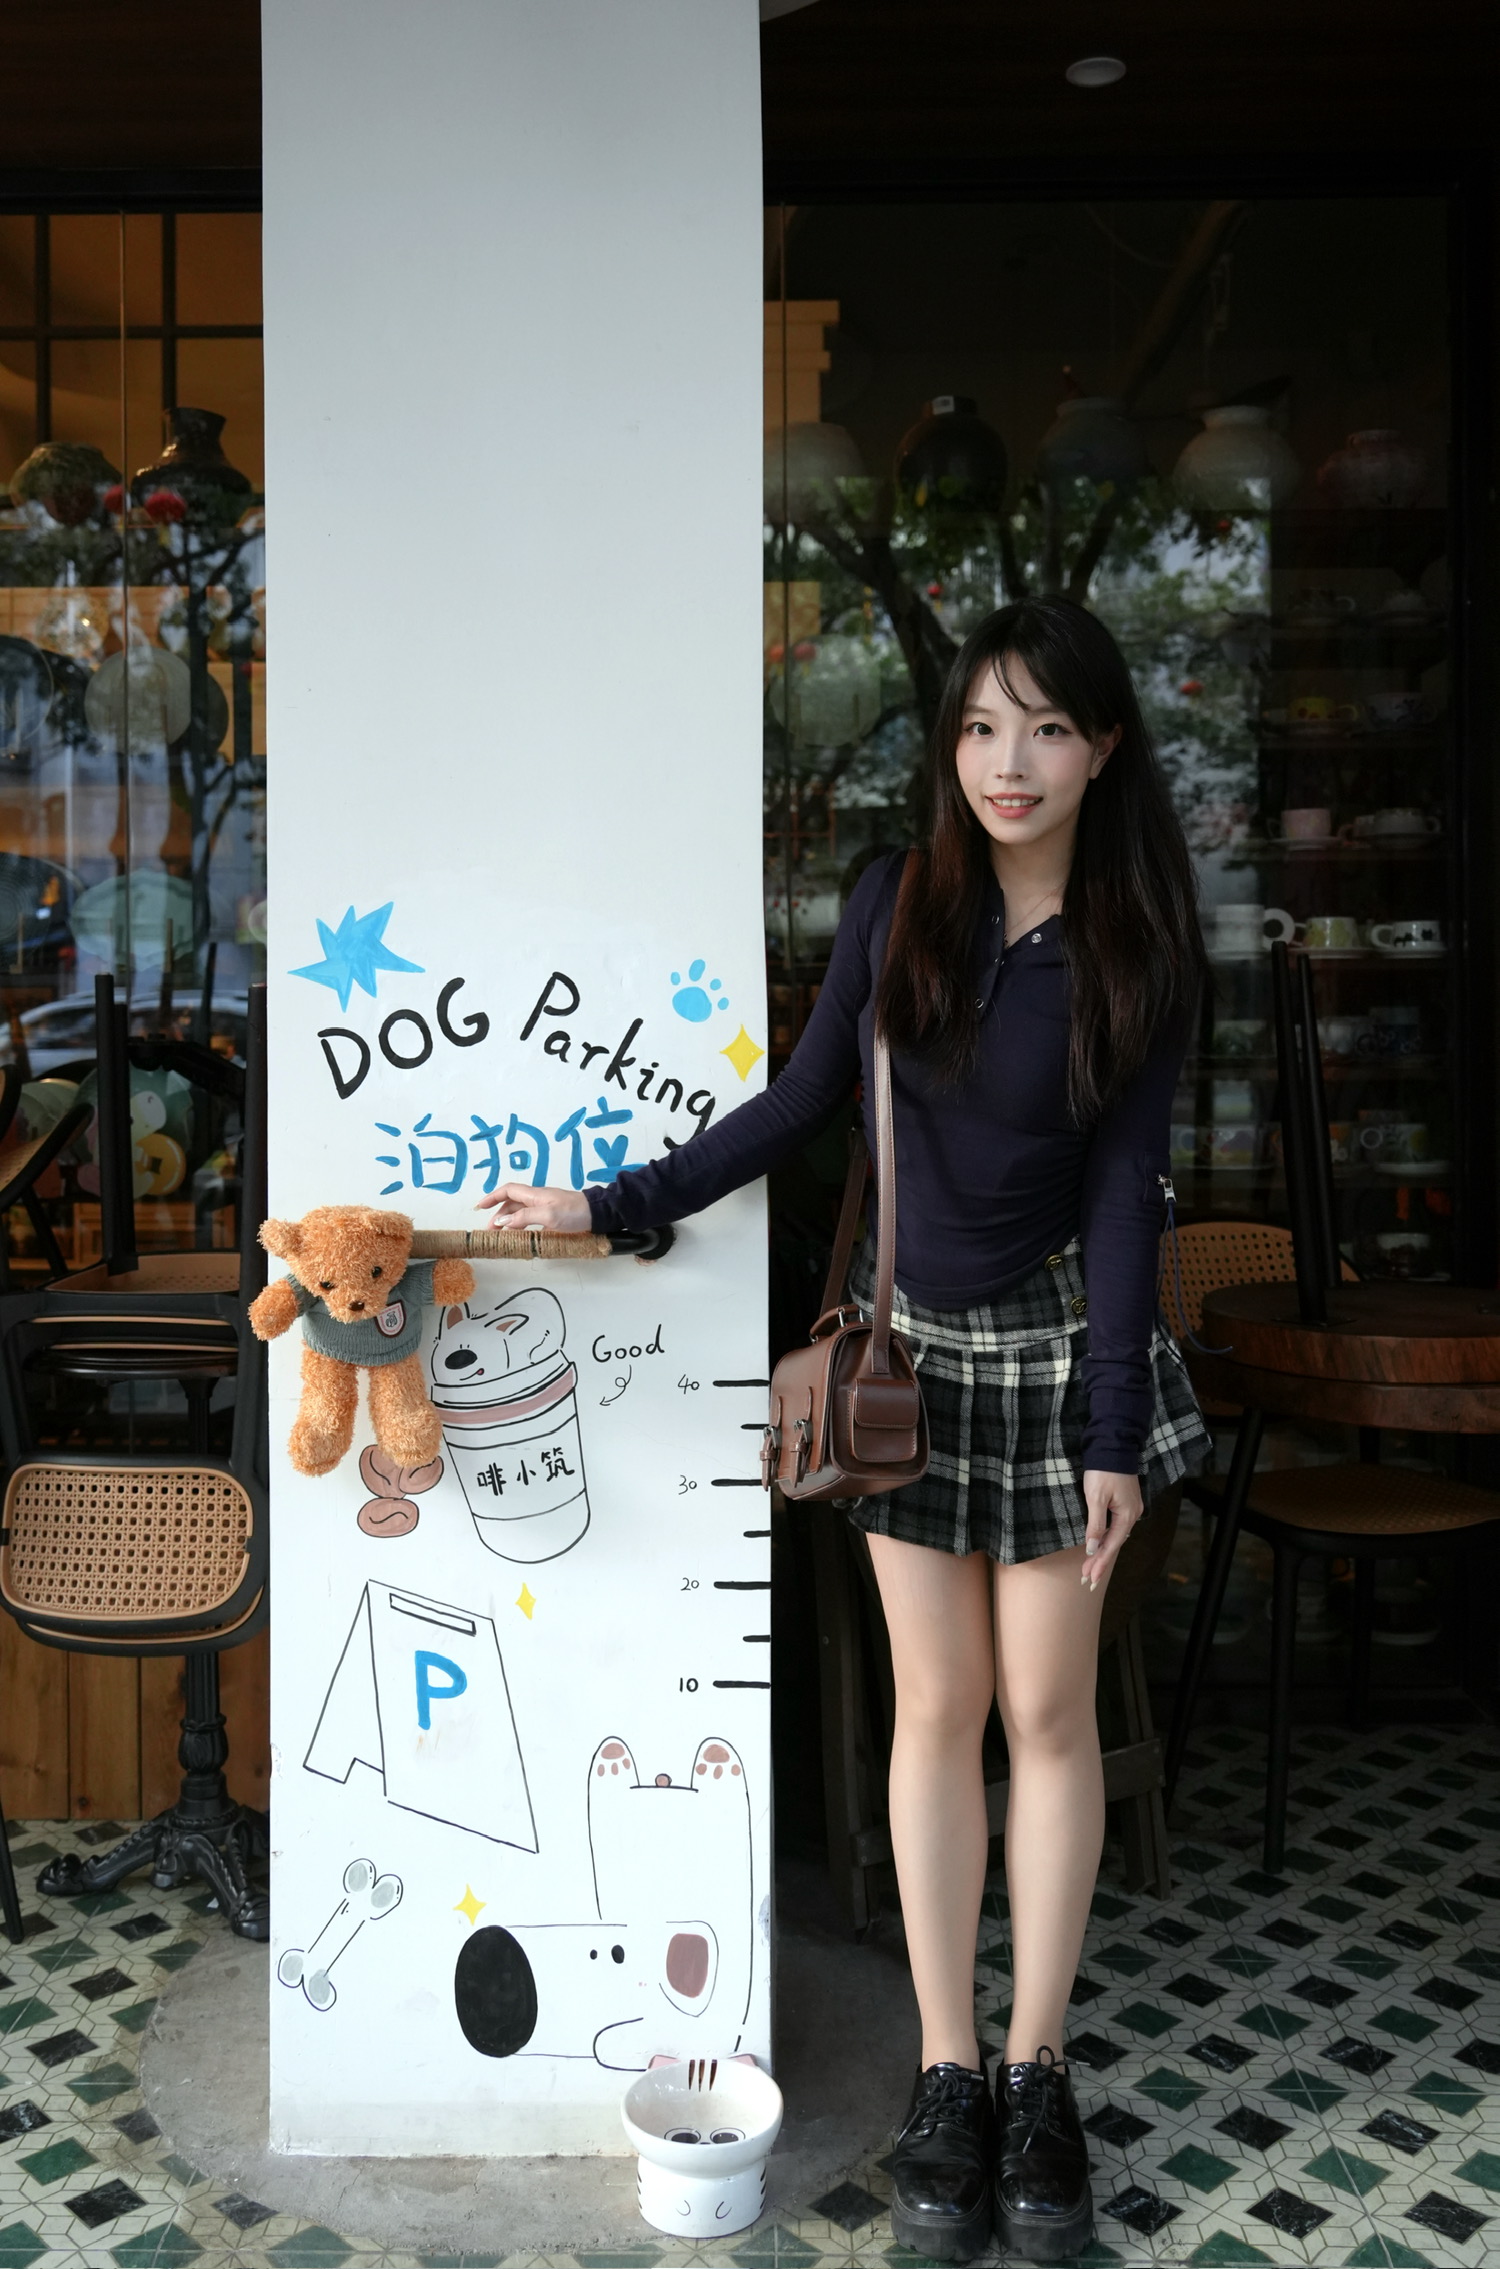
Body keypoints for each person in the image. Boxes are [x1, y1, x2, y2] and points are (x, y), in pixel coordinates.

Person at [477, 595, 1210, 2263]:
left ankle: (1039, 2070)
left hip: (1057, 1359)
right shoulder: (901, 899)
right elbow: (807, 1100)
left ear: (1102, 748)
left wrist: (1114, 1427)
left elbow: (1123, 1194)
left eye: (1046, 728)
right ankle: (949, 2068)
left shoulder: (1139, 946)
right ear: (950, 745)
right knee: (937, 1703)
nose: (1009, 762)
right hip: (905, 1364)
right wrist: (613, 1202)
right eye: (981, 727)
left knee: (1049, 1710)